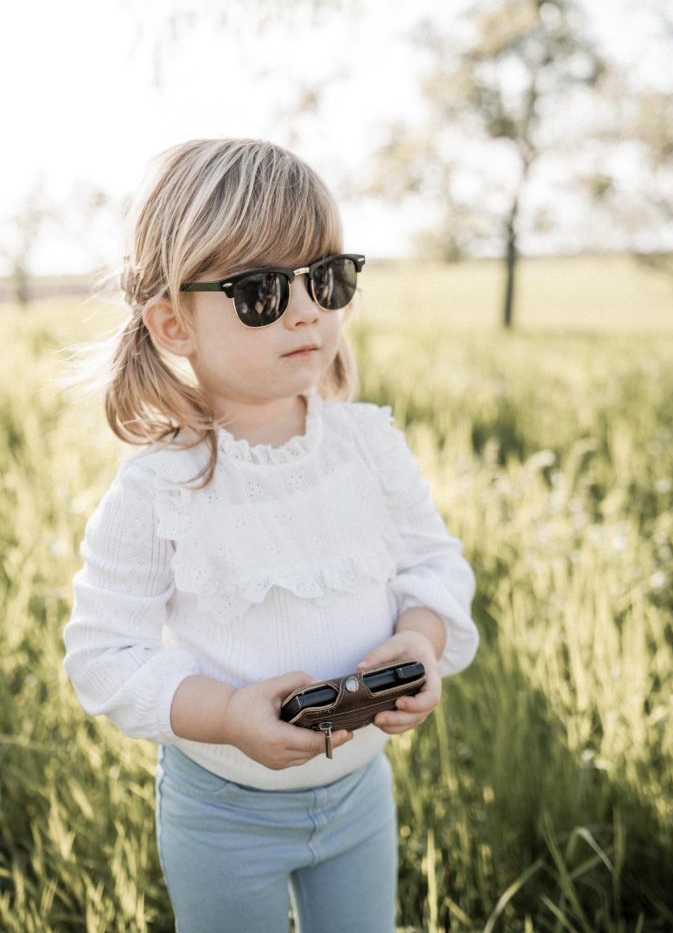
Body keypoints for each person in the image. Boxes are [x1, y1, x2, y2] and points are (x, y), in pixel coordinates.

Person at [63, 137, 479, 933]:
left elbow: (432, 565)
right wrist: (223, 715)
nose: (305, 311)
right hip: (221, 811)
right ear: (173, 324)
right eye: (259, 291)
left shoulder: (367, 446)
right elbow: (102, 656)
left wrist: (421, 642)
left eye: (326, 280)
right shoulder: (160, 489)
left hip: (361, 791)